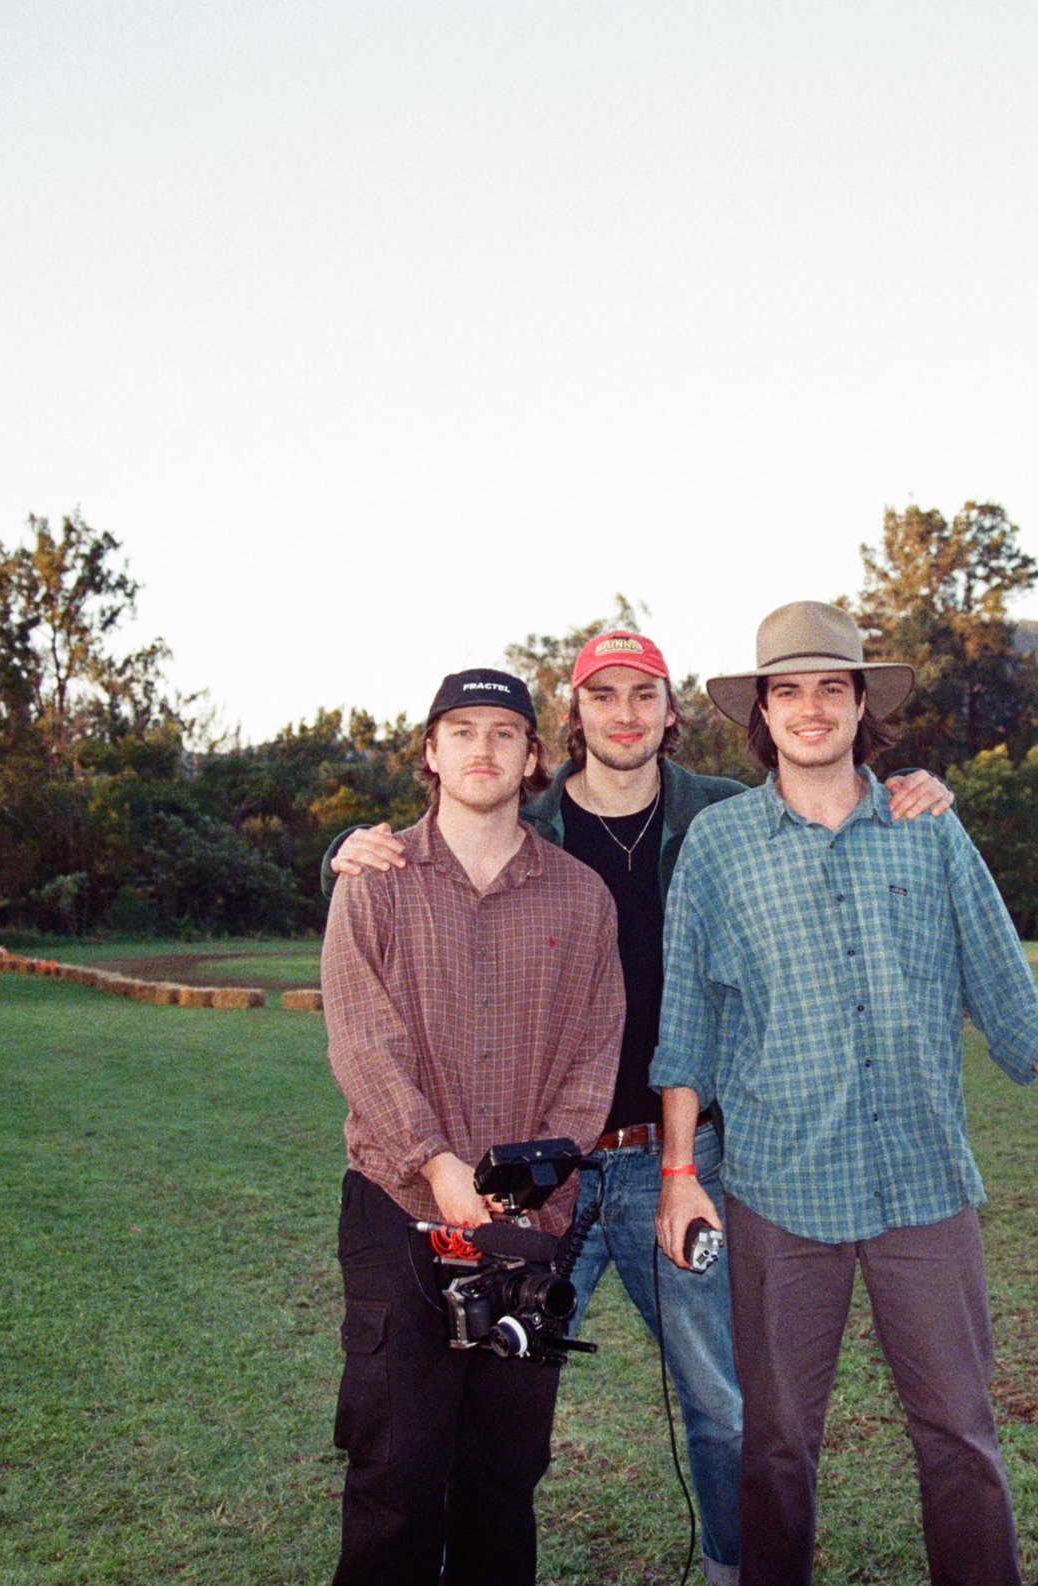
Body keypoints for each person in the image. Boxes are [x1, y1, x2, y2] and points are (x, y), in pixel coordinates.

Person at [328, 629, 955, 1584]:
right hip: (537, 1173)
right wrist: (341, 850)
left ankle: (737, 1568)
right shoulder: (528, 819)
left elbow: (829, 808)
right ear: (570, 720)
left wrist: (911, 791)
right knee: (464, 1408)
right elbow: (422, 866)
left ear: (671, 714)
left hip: (679, 1154)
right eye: (602, 695)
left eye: (644, 694)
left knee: (722, 1402)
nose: (624, 714)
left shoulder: (728, 815)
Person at [651, 600, 1038, 1586]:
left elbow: (1001, 987)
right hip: (778, 1184)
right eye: (790, 690)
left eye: (832, 687)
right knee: (777, 1442)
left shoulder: (929, 827)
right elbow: (687, 1025)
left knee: (959, 1430)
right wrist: (677, 1173)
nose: (812, 707)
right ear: (763, 712)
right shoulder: (718, 846)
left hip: (923, 1180)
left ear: (861, 702)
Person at [320, 667, 625, 1586]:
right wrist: (437, 1163)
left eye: (504, 732)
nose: (482, 748)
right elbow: (361, 1039)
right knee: (398, 1472)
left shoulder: (581, 897)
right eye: (461, 730)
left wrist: (531, 1182)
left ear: (534, 757)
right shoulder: (375, 883)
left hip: (527, 1225)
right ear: (431, 751)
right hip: (400, 1207)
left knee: (501, 1475)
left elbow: (594, 1054)